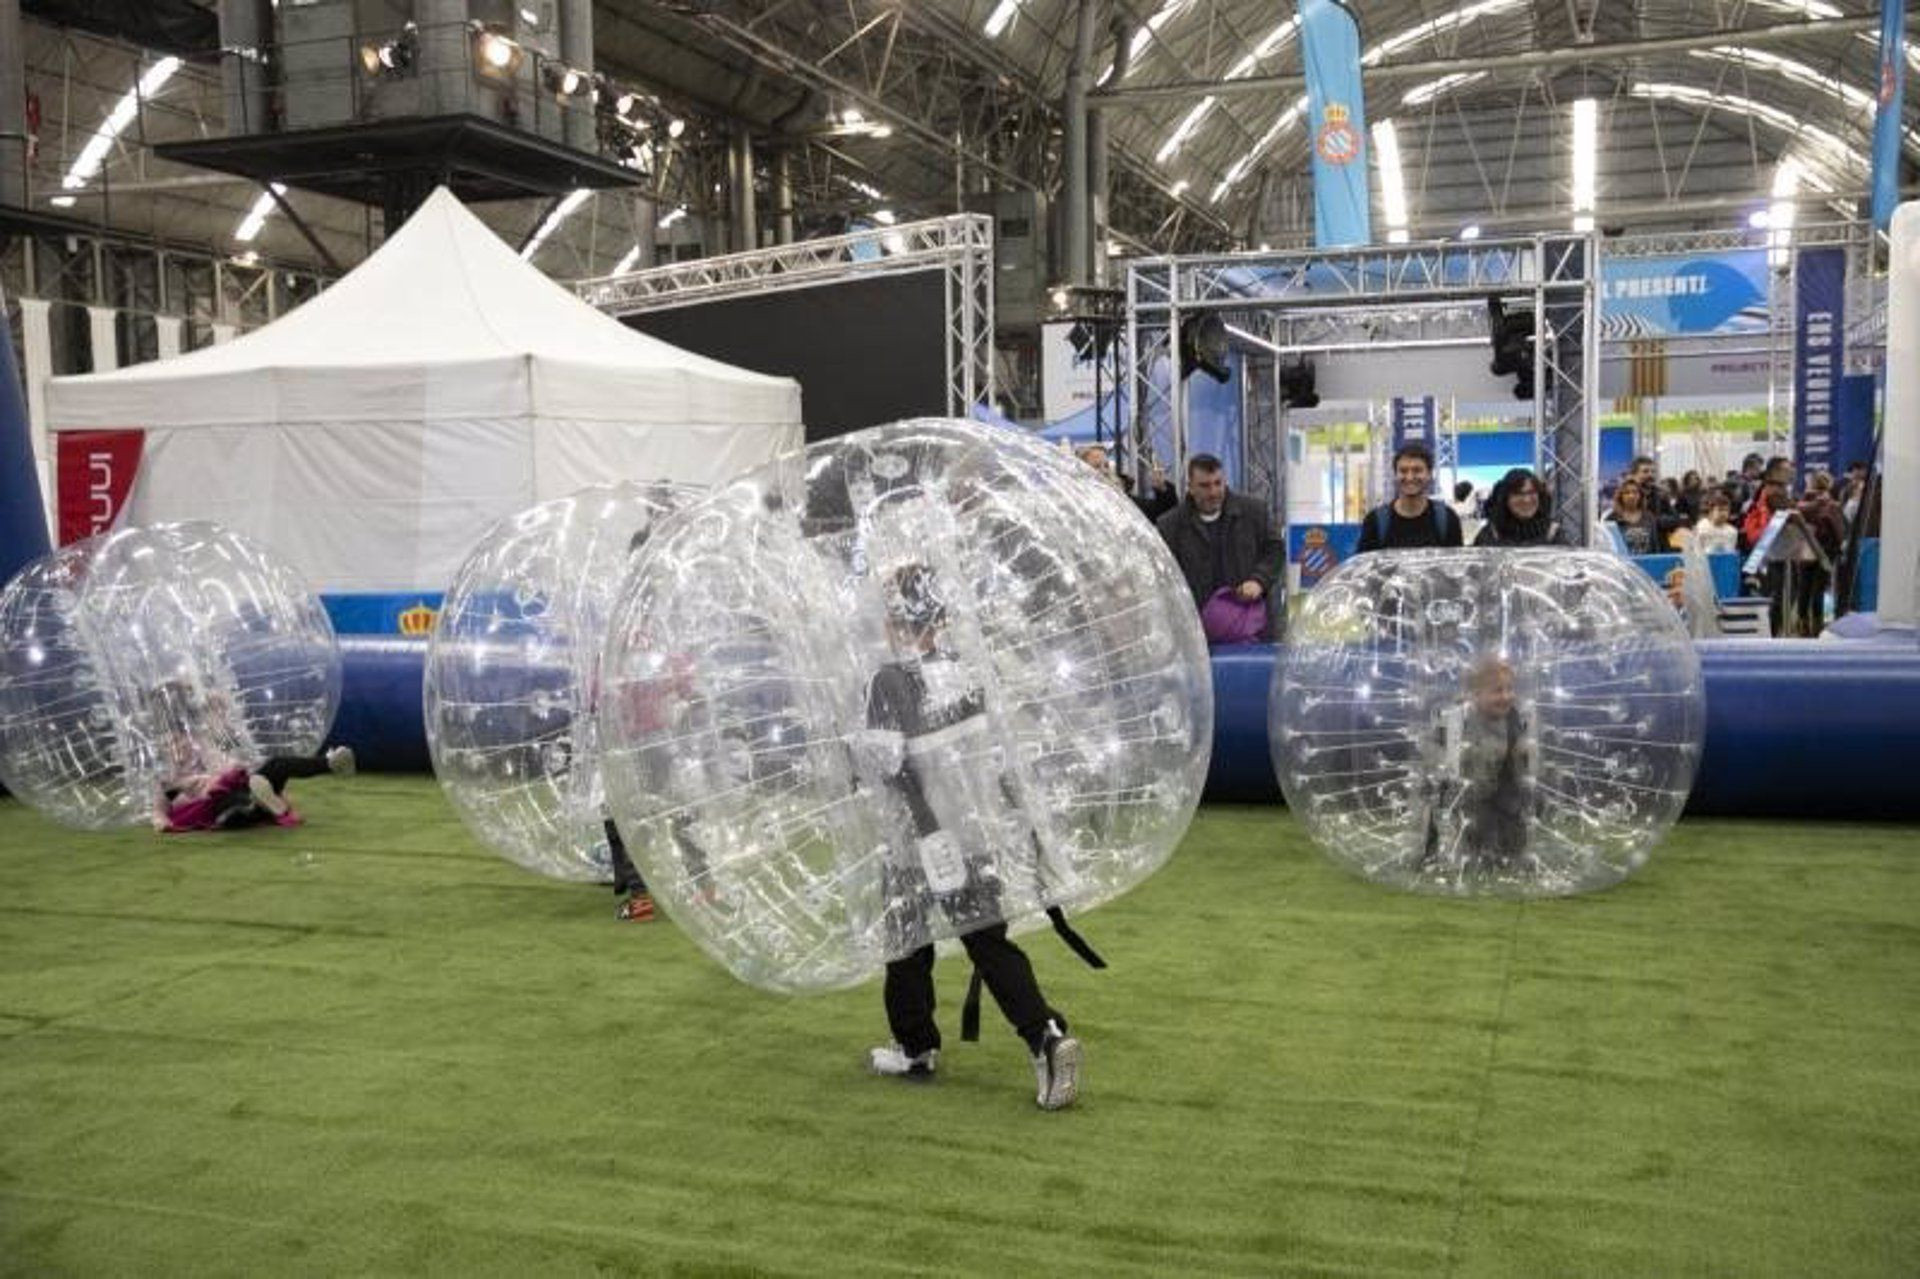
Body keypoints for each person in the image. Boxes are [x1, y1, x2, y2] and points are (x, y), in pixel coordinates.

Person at [864, 563, 1082, 1111]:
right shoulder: (968, 672)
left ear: (896, 619)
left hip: (919, 835)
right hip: (975, 831)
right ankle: (1044, 1036)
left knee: (906, 941)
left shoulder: (889, 679)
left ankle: (915, 1044)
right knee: (988, 941)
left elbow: (887, 762)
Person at [1420, 656, 1533, 879]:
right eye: (1497, 690)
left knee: (1519, 808)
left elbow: (1519, 766)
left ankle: (1505, 855)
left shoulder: (1513, 718)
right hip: (1458, 793)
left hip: (1495, 791)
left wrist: (1522, 754)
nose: (1506, 696)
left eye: (1510, 689)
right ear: (1475, 695)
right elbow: (1434, 754)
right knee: (1456, 819)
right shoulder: (1456, 719)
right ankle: (1441, 857)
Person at [1155, 453, 1283, 623]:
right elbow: (1163, 576)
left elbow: (1275, 551)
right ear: (1190, 487)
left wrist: (1259, 581)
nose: (1213, 492)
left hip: (1253, 629)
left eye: (1218, 483)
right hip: (1197, 630)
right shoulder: (1169, 526)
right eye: (1205, 485)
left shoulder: (1255, 513)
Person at [154, 745, 355, 832]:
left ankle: (329, 763)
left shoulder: (211, 757)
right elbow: (161, 802)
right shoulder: (176, 778)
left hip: (249, 784)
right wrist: (160, 819)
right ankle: (256, 807)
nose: (182, 746)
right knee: (236, 803)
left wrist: (287, 808)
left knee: (277, 764)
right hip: (220, 800)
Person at [1355, 443, 1465, 553]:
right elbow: (1364, 567)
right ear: (1395, 475)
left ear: (1429, 474)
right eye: (1403, 471)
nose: (1410, 477)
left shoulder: (1447, 518)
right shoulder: (1375, 521)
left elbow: (1456, 566)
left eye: (1417, 470)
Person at [1472, 468, 1566, 547]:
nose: (1526, 500)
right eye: (1518, 493)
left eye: (1532, 492)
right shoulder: (1490, 534)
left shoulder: (1554, 534)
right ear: (1505, 499)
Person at [1604, 479, 1661, 555]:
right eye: (1627, 493)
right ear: (1621, 496)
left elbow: (1655, 546)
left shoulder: (1649, 517)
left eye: (1635, 492)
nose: (1631, 496)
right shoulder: (1612, 519)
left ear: (1640, 495)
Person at [1688, 490, 1739, 555]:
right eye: (1720, 510)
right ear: (1711, 512)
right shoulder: (1700, 528)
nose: (1724, 513)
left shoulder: (1732, 531)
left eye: (1726, 510)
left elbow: (1731, 553)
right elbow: (1694, 552)